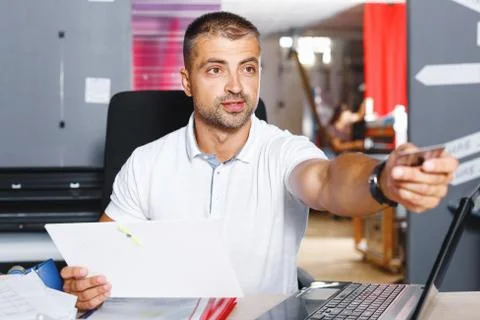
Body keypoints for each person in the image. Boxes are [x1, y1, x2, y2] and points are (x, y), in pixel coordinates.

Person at [61, 11, 458, 311]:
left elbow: (329, 180)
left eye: (247, 68)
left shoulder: (283, 151)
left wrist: (382, 179)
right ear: (186, 81)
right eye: (216, 69)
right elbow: (98, 260)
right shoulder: (145, 163)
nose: (236, 86)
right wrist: (86, 284)